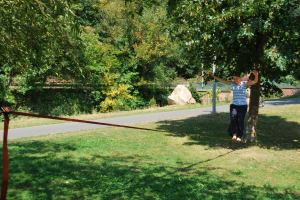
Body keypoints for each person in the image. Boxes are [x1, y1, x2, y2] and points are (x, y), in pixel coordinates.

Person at [209, 70, 259, 142]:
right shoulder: (232, 84)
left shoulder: (244, 83)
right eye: (234, 78)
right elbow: (222, 81)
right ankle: (234, 134)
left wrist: (256, 75)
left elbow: (255, 81)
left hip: (242, 106)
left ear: (240, 78)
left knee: (240, 120)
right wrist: (213, 76)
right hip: (234, 106)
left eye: (236, 78)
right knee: (233, 119)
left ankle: (239, 135)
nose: (235, 80)